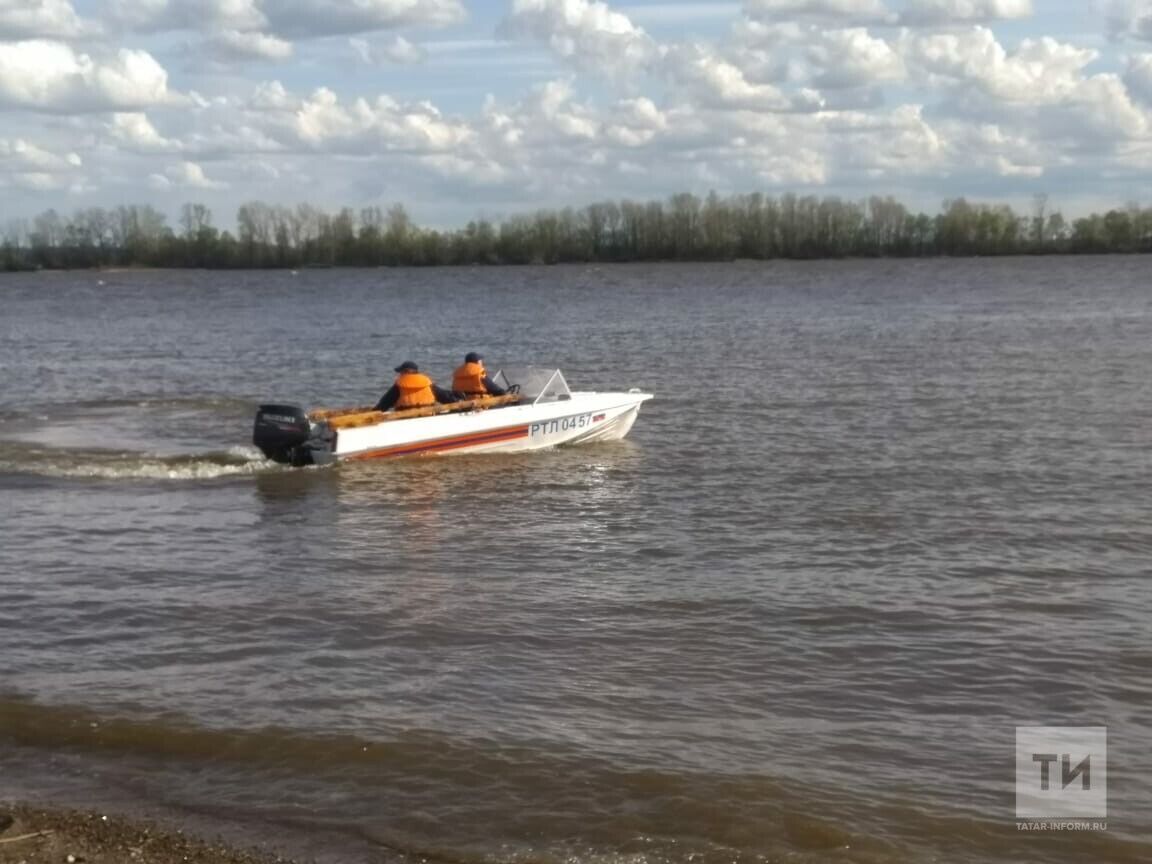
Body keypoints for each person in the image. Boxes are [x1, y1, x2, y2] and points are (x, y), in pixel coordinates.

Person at [374, 361, 457, 412]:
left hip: (405, 419)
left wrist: (373, 412)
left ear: (406, 371)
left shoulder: (398, 387)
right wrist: (457, 400)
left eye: (401, 372)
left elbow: (384, 404)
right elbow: (444, 397)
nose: (400, 374)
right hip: (427, 417)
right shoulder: (428, 385)